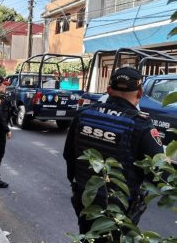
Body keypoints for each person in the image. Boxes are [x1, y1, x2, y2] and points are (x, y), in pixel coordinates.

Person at [63, 67, 164, 238]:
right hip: (119, 209)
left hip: (85, 196)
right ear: (139, 93)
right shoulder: (141, 125)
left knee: (87, 236)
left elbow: (69, 154)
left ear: (109, 90)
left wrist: (76, 185)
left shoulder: (84, 115)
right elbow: (158, 173)